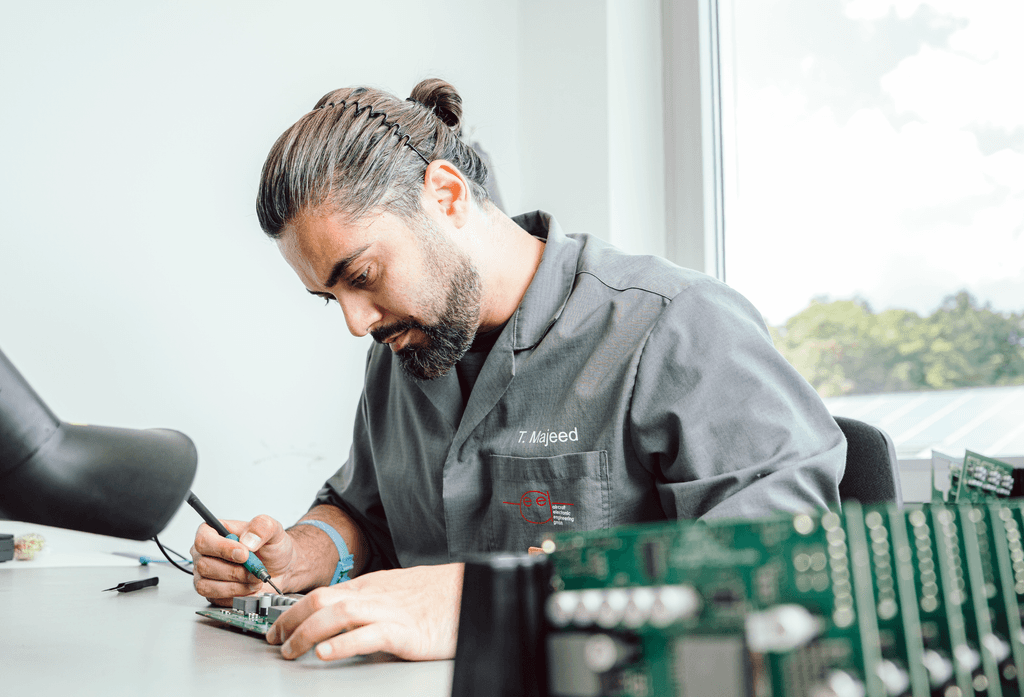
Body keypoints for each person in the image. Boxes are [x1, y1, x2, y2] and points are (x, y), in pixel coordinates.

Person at [191, 78, 846, 664]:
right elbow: (367, 513)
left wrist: (490, 598)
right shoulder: (400, 354)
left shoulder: (675, 325)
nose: (356, 323)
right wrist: (306, 551)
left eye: (361, 276)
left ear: (446, 196)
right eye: (330, 298)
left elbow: (785, 555)